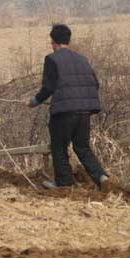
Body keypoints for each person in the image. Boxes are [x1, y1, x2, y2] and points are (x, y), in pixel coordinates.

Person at [27, 24, 111, 191]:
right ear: (68, 40)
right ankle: (101, 176)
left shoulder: (51, 59)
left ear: (53, 42)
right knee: (82, 147)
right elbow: (95, 83)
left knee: (59, 147)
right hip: (85, 111)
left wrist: (34, 101)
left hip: (64, 113)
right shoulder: (82, 59)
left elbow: (49, 88)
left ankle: (65, 184)